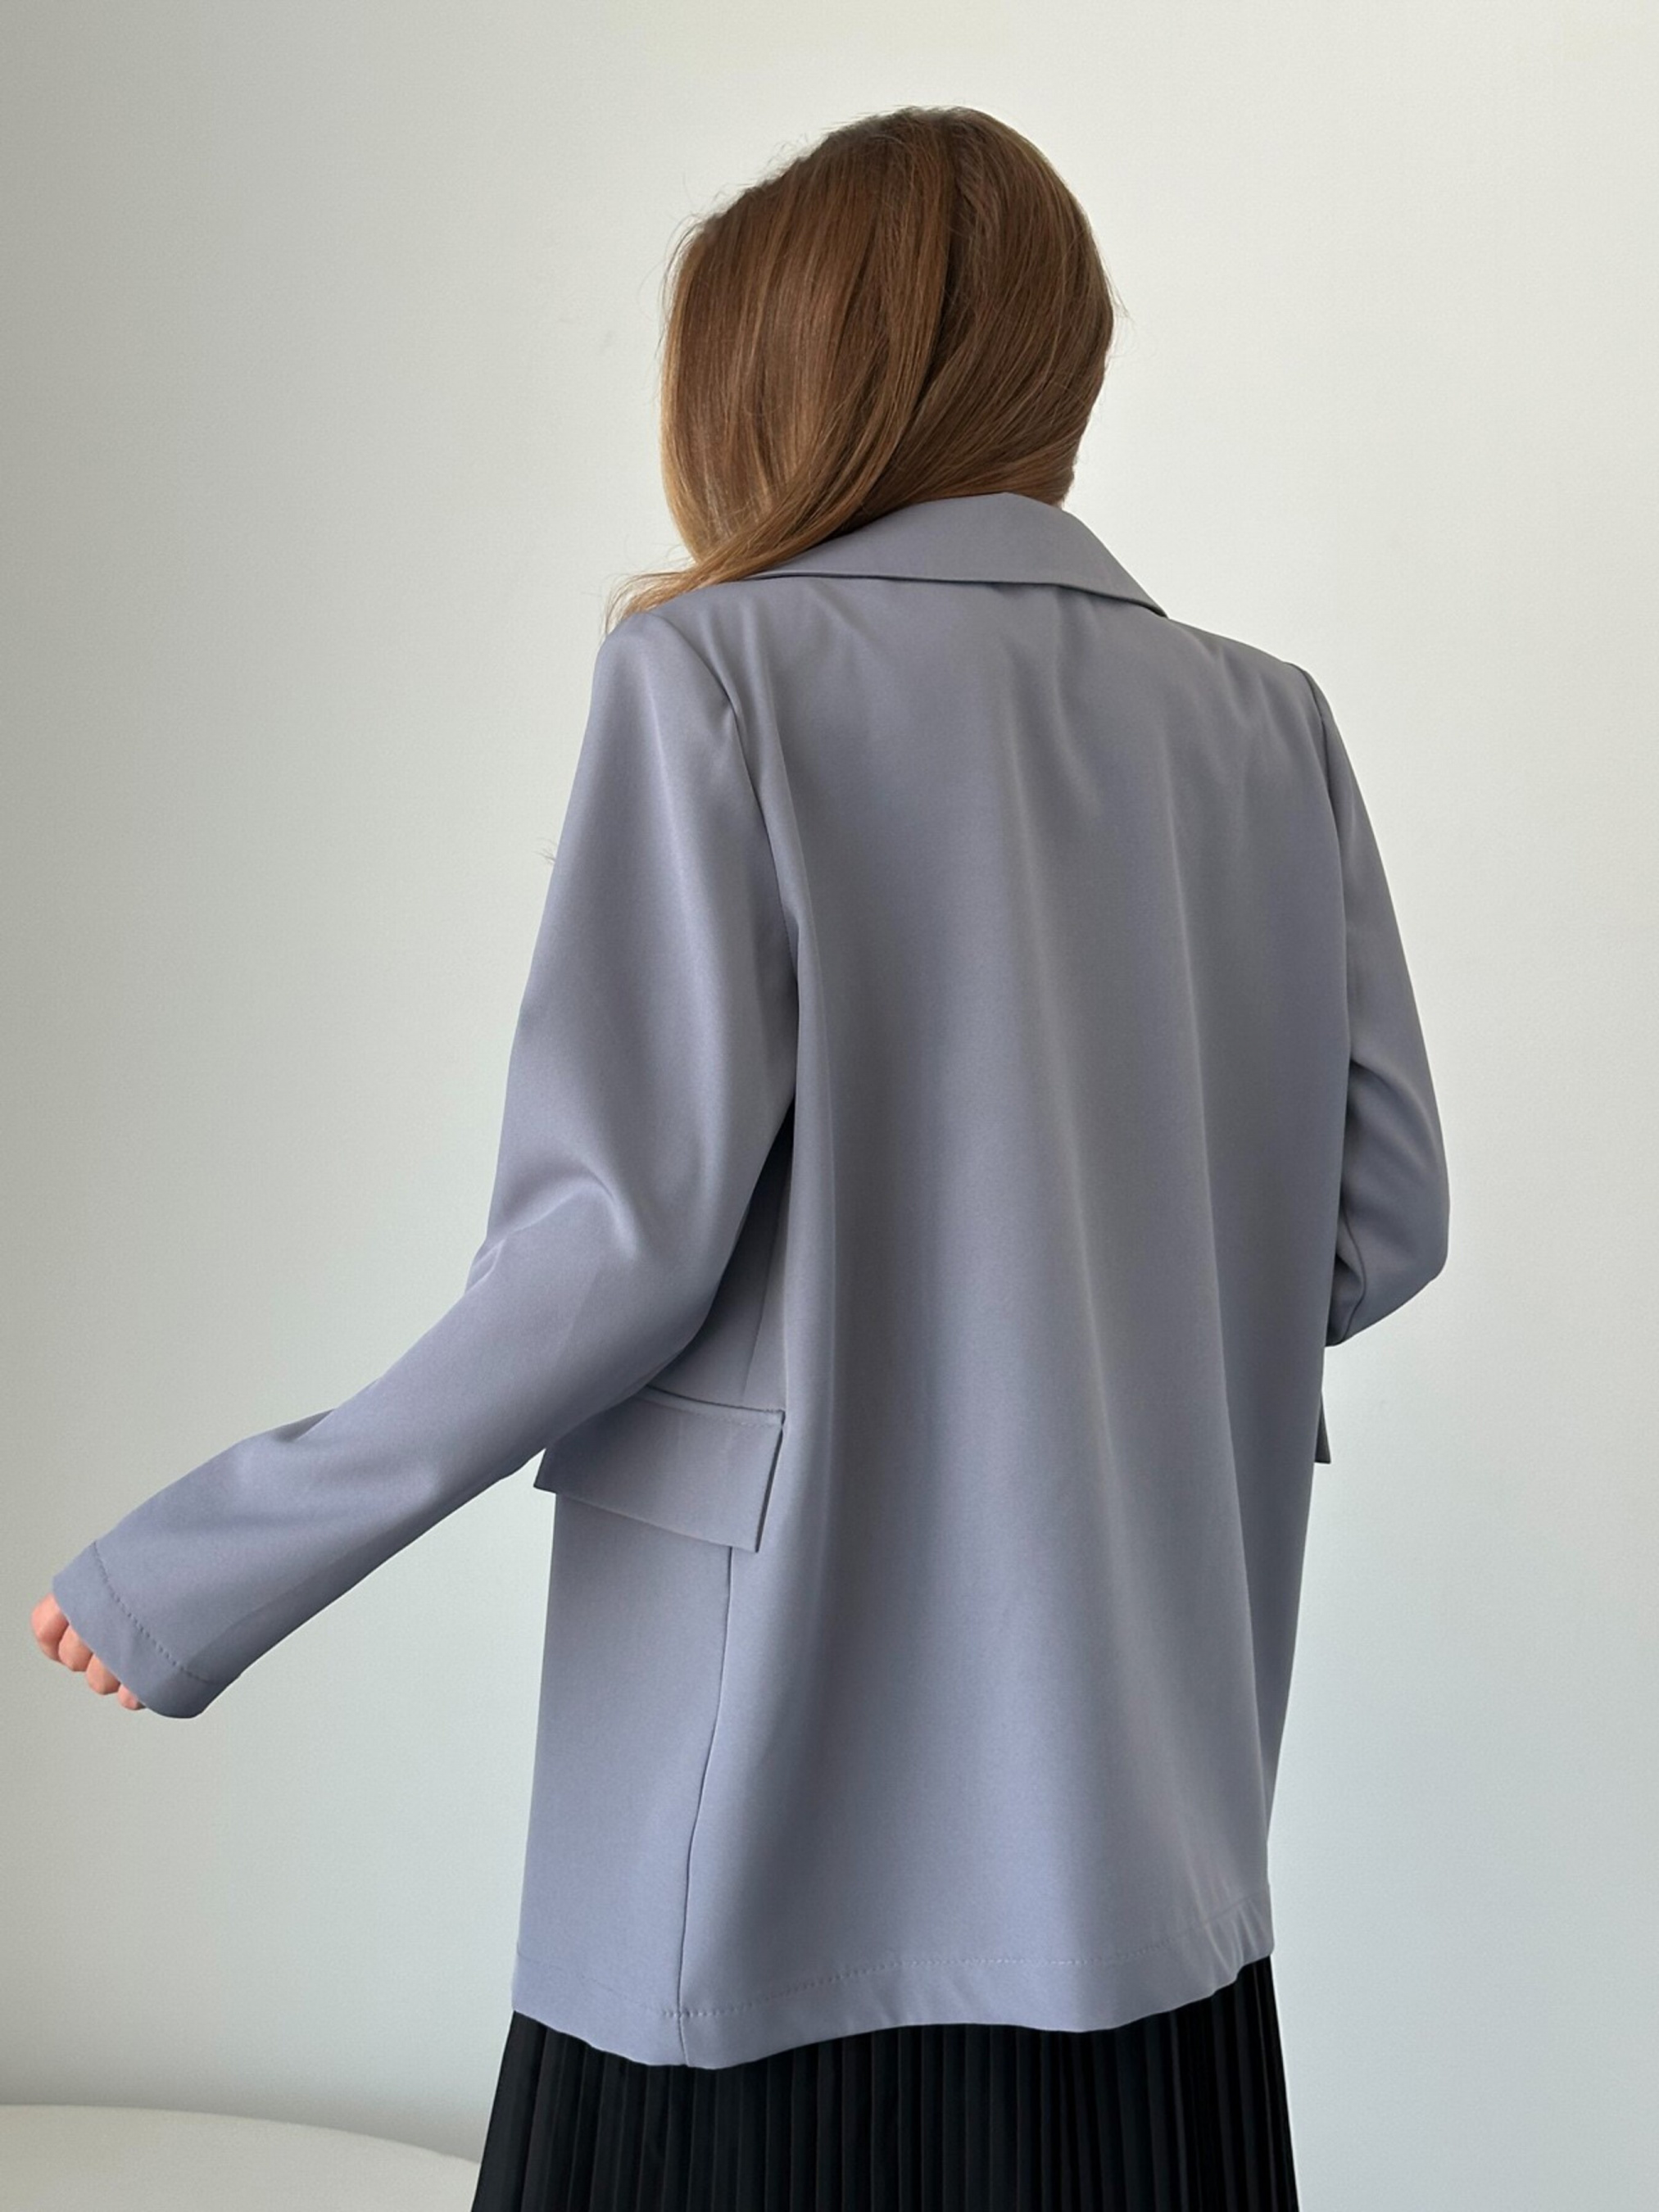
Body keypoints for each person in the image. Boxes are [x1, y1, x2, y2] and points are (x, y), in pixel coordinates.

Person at [33, 104, 1449, 2210]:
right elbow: (1381, 1223)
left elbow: (608, 1250)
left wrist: (205, 1562)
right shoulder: (1265, 726)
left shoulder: (714, 674)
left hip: (767, 1824)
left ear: (772, 381)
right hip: (1141, 1838)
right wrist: (1110, 1323)